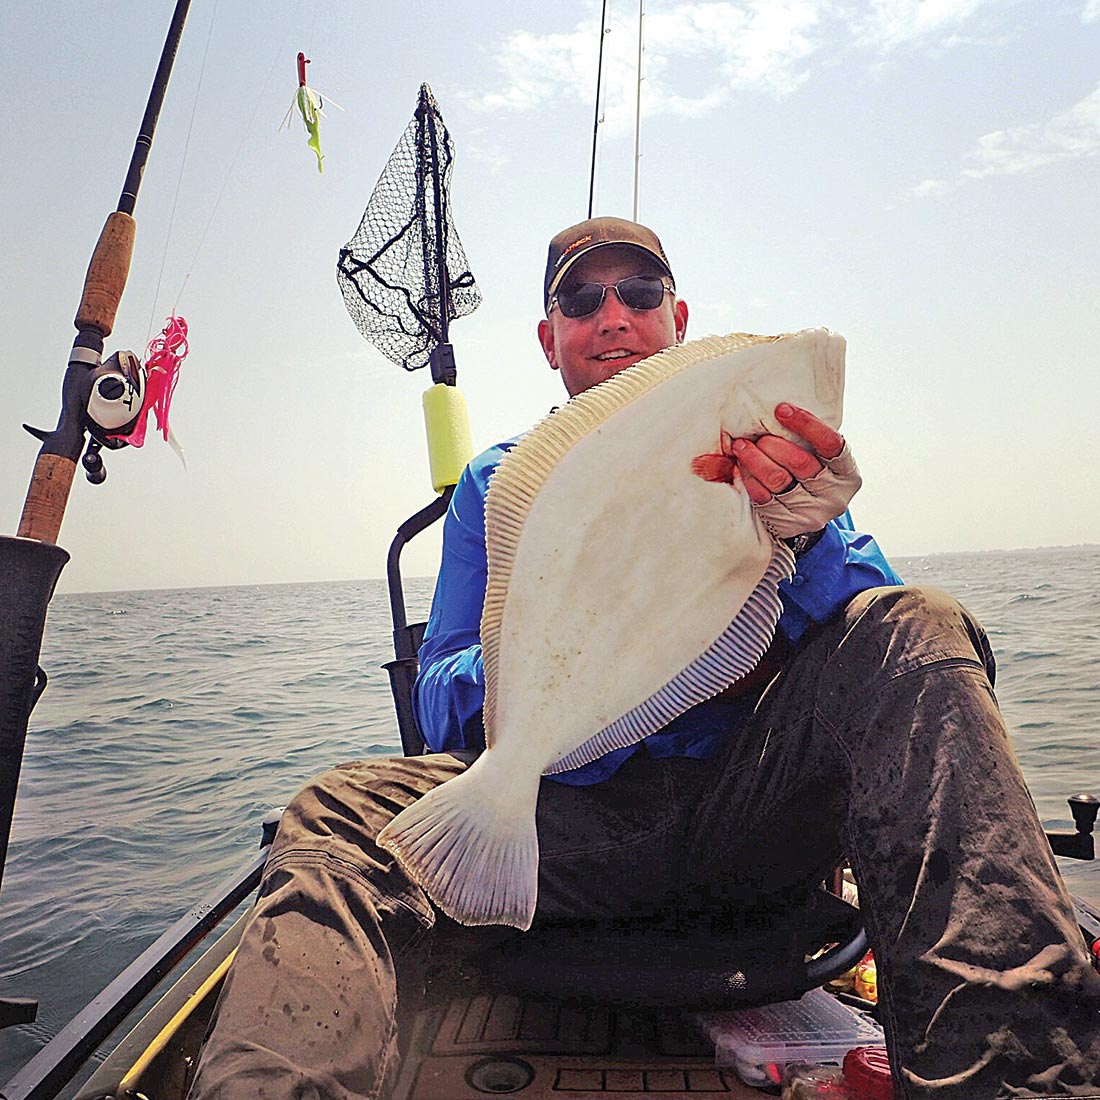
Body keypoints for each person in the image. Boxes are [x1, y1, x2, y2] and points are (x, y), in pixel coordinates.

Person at [189, 218, 1100, 1100]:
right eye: (581, 300)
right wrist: (561, 667)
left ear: (679, 320)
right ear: (550, 339)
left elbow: (881, 656)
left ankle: (1018, 1082)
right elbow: (439, 695)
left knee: (918, 623)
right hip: (565, 824)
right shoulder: (496, 483)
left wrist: (810, 529)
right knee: (334, 813)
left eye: (638, 291)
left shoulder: (770, 460)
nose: (613, 315)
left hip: (747, 815)